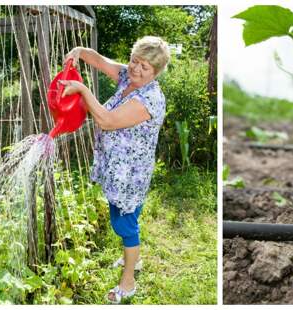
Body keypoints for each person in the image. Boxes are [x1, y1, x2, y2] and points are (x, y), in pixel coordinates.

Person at [60, 36, 170, 304]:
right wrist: (79, 52)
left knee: (124, 224)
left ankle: (128, 280)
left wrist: (83, 92)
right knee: (126, 217)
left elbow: (107, 121)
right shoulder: (127, 79)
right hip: (118, 168)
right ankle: (135, 257)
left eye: (145, 67)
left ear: (155, 73)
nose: (136, 69)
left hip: (129, 175)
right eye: (135, 61)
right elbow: (101, 61)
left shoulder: (149, 98)